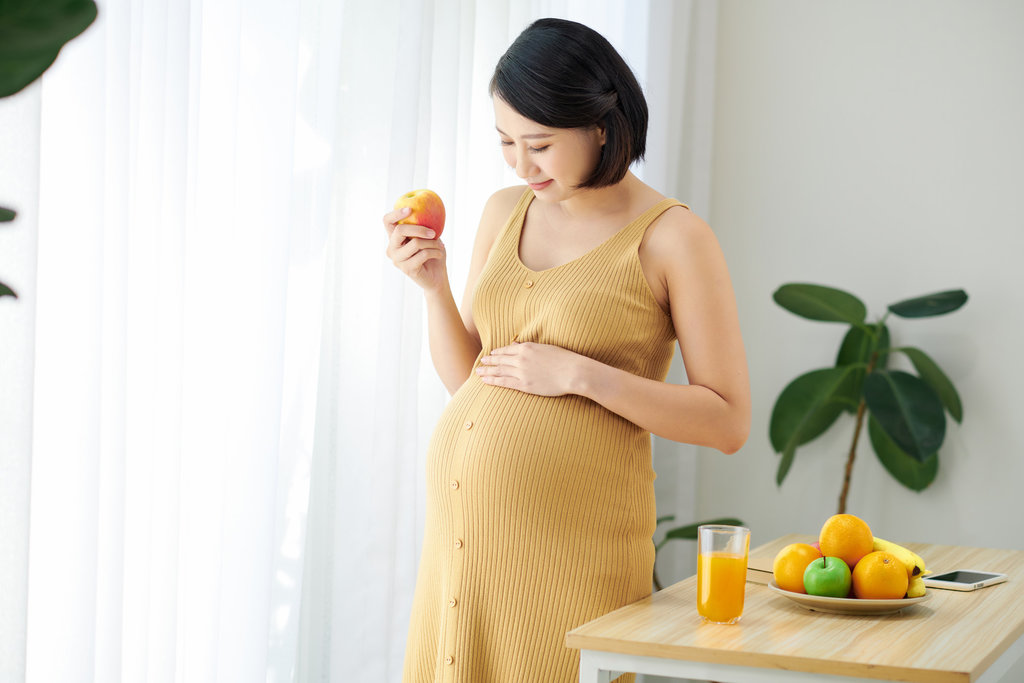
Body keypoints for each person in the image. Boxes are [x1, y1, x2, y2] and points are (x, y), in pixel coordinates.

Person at [383, 17, 750, 683]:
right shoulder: (503, 211)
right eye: (506, 142)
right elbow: (473, 377)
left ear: (601, 125)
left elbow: (728, 420)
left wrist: (581, 375)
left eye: (540, 144)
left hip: (574, 561)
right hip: (462, 553)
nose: (522, 165)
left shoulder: (674, 238)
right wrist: (434, 288)